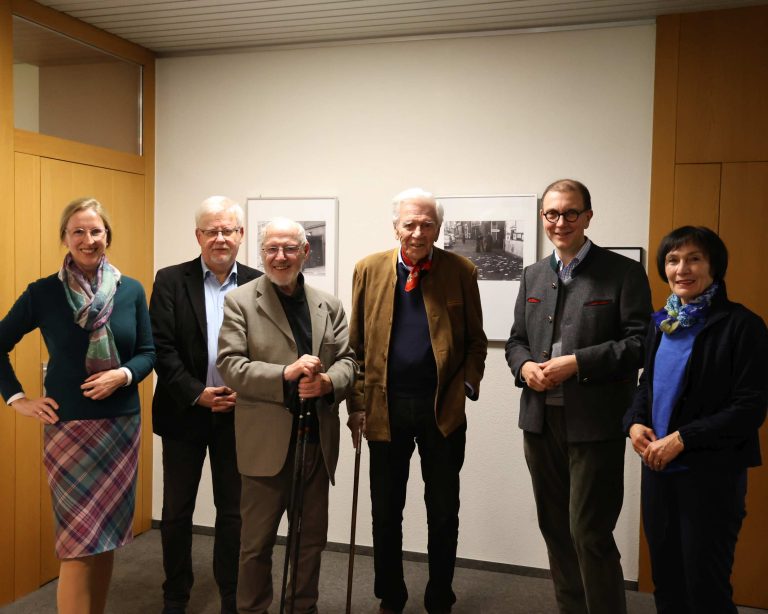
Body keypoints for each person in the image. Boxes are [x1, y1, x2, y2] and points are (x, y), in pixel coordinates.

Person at [0, 197, 155, 614]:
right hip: (69, 431)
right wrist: (19, 400)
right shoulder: (43, 293)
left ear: (107, 236)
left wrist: (122, 375)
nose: (88, 240)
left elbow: (148, 352)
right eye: (78, 232)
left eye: (95, 231)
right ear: (65, 239)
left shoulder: (132, 290)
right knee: (77, 545)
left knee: (104, 544)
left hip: (120, 428)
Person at [505, 179, 652, 614]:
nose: (561, 222)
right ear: (542, 218)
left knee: (589, 533)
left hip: (596, 423)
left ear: (588, 216)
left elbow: (640, 343)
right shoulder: (532, 273)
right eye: (552, 213)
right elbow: (516, 341)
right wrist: (524, 366)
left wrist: (578, 363)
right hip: (539, 422)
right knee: (555, 530)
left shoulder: (623, 273)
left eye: (571, 213)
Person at [347, 187, 488, 614]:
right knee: (386, 512)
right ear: (396, 227)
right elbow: (354, 347)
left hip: (441, 411)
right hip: (384, 409)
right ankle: (391, 596)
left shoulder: (460, 270)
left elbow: (476, 343)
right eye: (409, 223)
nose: (418, 231)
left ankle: (439, 597)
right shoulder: (368, 269)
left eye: (427, 224)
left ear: (438, 228)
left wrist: (465, 386)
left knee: (443, 512)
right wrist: (356, 404)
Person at [623, 226, 767, 614]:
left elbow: (750, 408)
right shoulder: (660, 323)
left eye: (694, 259)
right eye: (673, 260)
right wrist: (635, 423)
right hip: (658, 472)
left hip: (710, 476)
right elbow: (647, 386)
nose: (682, 269)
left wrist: (682, 438)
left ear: (714, 266)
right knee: (667, 581)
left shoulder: (742, 326)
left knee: (706, 586)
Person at [216, 218, 356, 614]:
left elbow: (348, 360)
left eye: (289, 249)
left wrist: (328, 383)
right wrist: (285, 374)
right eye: (272, 249)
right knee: (256, 544)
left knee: (310, 541)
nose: (281, 257)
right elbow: (230, 365)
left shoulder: (328, 305)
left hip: (315, 443)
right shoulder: (241, 301)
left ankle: (301, 608)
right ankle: (253, 609)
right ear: (261, 255)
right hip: (265, 444)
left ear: (305, 253)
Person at [149, 196, 262, 614]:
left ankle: (231, 593)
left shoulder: (258, 283)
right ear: (198, 235)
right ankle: (175, 594)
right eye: (211, 230)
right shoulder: (170, 280)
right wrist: (197, 393)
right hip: (184, 413)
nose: (220, 238)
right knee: (177, 511)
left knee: (233, 512)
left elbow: (265, 349)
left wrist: (243, 390)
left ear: (240, 235)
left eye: (228, 230)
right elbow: (161, 347)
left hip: (239, 414)